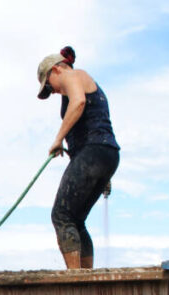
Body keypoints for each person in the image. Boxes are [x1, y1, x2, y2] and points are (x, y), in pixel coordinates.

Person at [37, 46, 119, 269]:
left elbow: (79, 103)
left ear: (56, 70)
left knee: (61, 215)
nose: (51, 91)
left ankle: (75, 280)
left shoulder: (74, 75)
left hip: (93, 153)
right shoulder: (81, 81)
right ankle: (86, 277)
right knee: (76, 220)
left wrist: (58, 139)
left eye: (48, 85)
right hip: (104, 155)